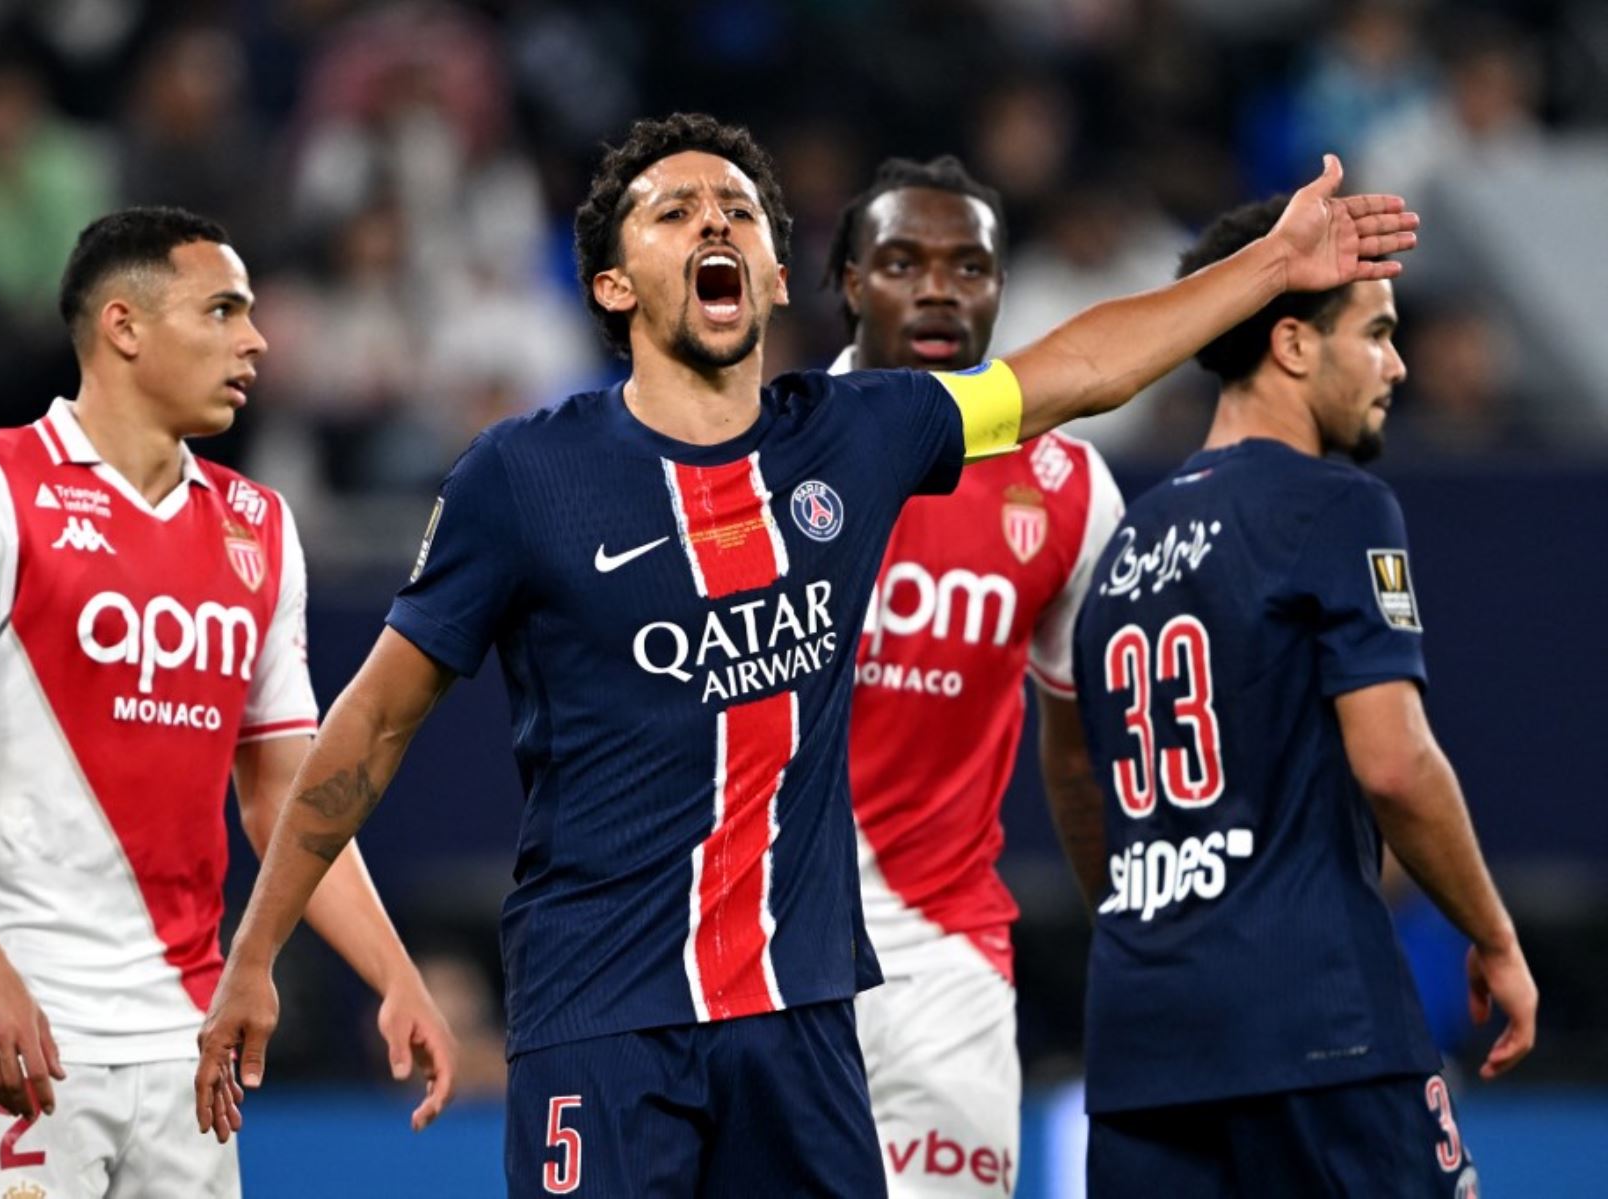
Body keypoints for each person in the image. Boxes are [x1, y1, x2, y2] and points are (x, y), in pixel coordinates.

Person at [195, 112, 1418, 1196]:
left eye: (737, 208)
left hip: (801, 1023)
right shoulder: (522, 476)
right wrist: (259, 949)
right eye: (674, 210)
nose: (712, 219)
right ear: (616, 284)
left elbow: (1076, 370)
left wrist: (1268, 268)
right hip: (603, 1017)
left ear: (778, 275)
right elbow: (373, 724)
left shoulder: (860, 438)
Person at [0, 207, 455, 1198]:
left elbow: (286, 792)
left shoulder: (259, 526)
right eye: (223, 309)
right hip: (25, 1020)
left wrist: (394, 970)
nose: (256, 339)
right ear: (124, 325)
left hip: (189, 1037)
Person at [1067, 195, 1536, 1197]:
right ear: (1290, 342)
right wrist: (1493, 933)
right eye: (1375, 334)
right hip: (1316, 1025)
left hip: (1143, 1032)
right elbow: (1395, 761)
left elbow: (1076, 776)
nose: (1397, 367)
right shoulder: (1337, 506)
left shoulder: (1121, 555)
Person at [825, 155, 1121, 1197]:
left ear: (1003, 288)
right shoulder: (760, 449)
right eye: (904, 262)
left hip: (945, 964)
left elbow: (1079, 746)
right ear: (850, 281)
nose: (941, 288)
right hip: (757, 955)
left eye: (970, 266)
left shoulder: (1071, 487)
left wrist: (1128, 941)